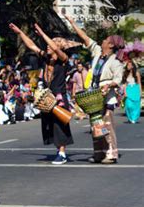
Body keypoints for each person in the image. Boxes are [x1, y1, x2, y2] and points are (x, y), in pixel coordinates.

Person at [9, 22, 74, 164]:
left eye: (50, 45)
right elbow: (31, 45)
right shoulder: (45, 58)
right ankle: (59, 151)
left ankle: (62, 154)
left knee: (59, 125)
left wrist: (43, 33)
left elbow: (56, 47)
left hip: (59, 97)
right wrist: (20, 32)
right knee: (50, 125)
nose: (48, 47)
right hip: (47, 97)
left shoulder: (63, 60)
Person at [65, 15, 124, 164]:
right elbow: (86, 38)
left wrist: (108, 85)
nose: (102, 41)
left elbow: (118, 79)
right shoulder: (97, 52)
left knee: (107, 126)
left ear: (110, 45)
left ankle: (111, 154)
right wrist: (72, 22)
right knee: (96, 127)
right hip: (94, 96)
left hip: (106, 97)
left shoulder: (116, 62)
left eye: (105, 40)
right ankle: (98, 153)